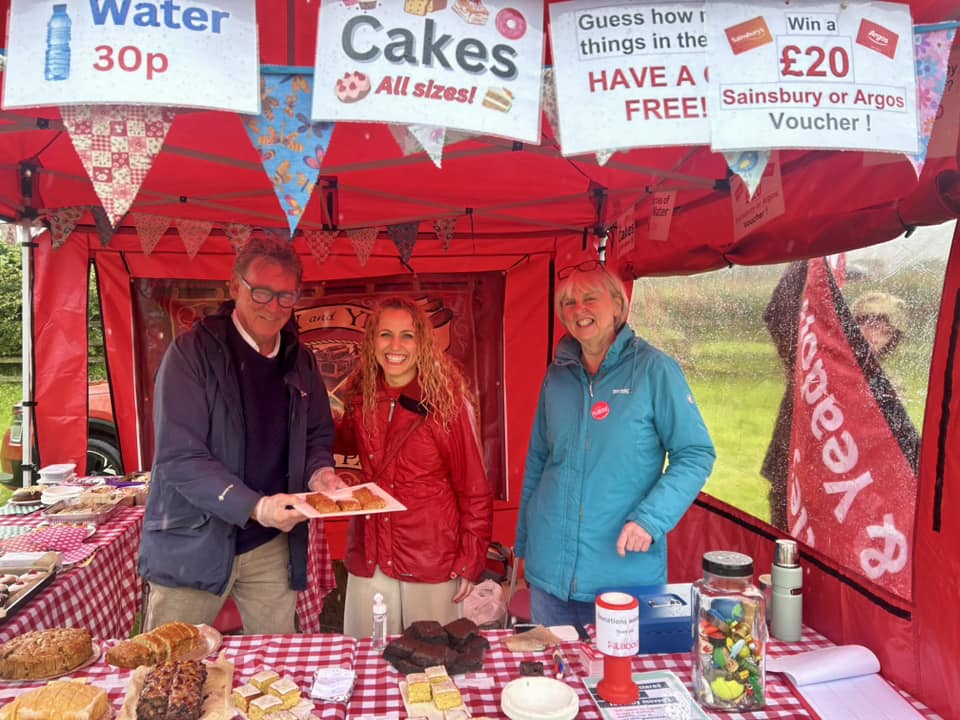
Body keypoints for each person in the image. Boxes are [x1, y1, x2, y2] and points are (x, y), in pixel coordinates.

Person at [139, 236, 343, 634]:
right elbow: (181, 457)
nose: (273, 306)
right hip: (193, 538)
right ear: (234, 288)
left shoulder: (300, 360)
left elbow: (318, 433)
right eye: (262, 292)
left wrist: (320, 473)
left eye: (286, 296)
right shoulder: (191, 353)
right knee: (170, 664)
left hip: (269, 543)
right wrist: (255, 505)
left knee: (276, 665)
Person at [516, 261, 716, 628]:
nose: (578, 311)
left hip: (622, 575)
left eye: (589, 299)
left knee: (617, 681)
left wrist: (650, 519)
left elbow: (696, 454)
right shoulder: (557, 375)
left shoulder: (655, 370)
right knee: (554, 679)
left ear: (619, 306)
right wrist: (524, 547)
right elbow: (538, 461)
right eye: (568, 303)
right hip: (549, 575)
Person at [336, 296, 493, 638]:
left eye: (407, 335)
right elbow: (340, 442)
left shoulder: (446, 399)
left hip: (431, 554)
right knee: (368, 655)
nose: (395, 345)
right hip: (372, 549)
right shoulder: (360, 393)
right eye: (385, 334)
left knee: (433, 660)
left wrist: (470, 560)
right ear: (371, 341)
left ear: (422, 342)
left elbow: (474, 488)